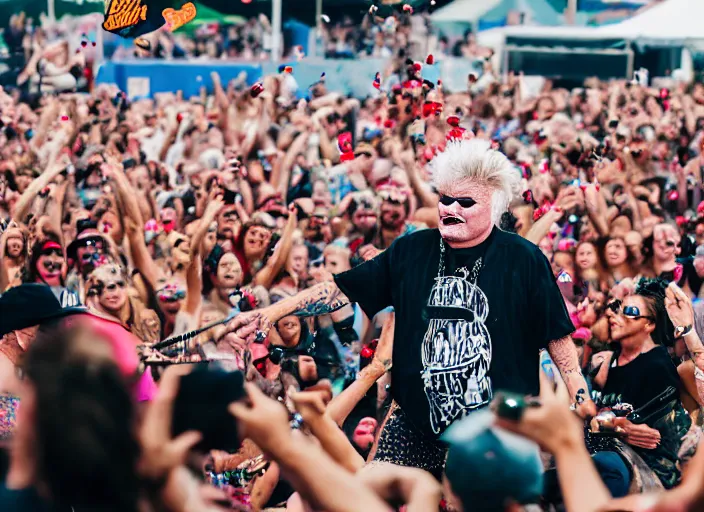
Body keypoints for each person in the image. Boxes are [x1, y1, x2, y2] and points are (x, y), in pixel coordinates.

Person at [234, 138, 595, 477]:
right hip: (414, 420)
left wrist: (581, 397)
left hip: (495, 425)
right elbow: (340, 290)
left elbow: (558, 342)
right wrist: (272, 313)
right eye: (444, 199)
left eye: (464, 202)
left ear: (493, 204)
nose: (450, 209)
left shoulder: (524, 258)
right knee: (375, 494)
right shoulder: (411, 250)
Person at [589, 279, 691, 494]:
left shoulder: (658, 364)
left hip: (647, 466)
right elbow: (605, 420)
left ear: (649, 324)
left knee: (605, 467)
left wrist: (610, 424)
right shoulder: (611, 362)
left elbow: (649, 435)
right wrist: (614, 425)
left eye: (630, 311)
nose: (618, 317)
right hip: (605, 449)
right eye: (619, 310)